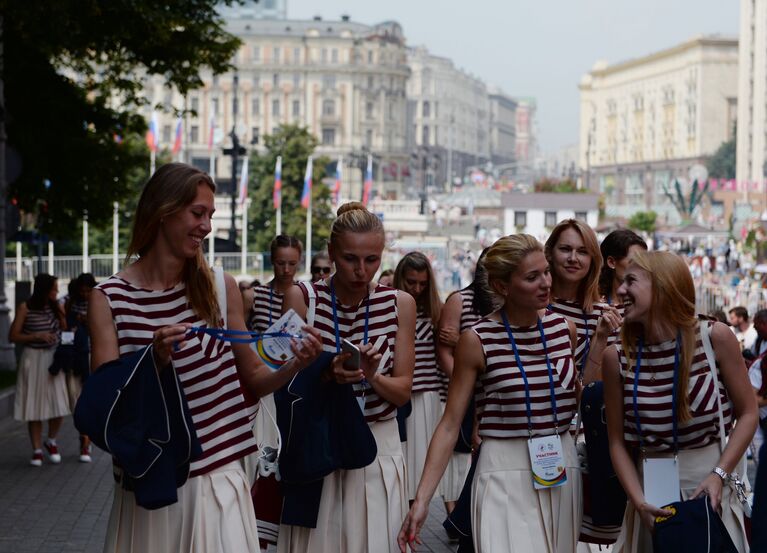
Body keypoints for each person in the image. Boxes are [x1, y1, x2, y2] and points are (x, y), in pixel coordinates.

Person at [88, 163, 322, 552]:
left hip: (220, 480)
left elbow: (256, 379)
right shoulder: (109, 298)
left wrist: (296, 361)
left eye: (210, 215)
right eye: (198, 213)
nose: (207, 226)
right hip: (154, 484)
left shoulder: (219, 286)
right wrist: (154, 361)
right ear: (163, 211)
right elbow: (106, 409)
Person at [399, 234, 581, 553]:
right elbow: (450, 422)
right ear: (502, 286)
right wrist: (422, 500)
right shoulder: (477, 339)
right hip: (501, 469)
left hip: (558, 464)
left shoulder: (564, 329)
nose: (546, 283)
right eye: (532, 276)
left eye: (546, 272)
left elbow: (576, 400)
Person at [278, 201, 416, 552]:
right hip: (317, 440)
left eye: (372, 259)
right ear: (331, 253)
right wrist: (325, 375)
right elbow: (279, 378)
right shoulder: (302, 296)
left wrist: (371, 376)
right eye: (350, 258)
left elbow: (402, 393)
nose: (361, 269)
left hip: (376, 445)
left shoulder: (400, 303)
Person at [603, 251, 757, 553]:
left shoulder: (715, 338)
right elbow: (617, 442)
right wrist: (639, 502)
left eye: (631, 282)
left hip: (710, 489)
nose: (620, 290)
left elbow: (749, 413)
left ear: (662, 287)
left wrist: (719, 475)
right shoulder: (616, 356)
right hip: (649, 494)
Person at [435, 248, 498, 515]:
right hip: (465, 391)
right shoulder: (459, 300)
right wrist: (466, 382)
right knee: (458, 454)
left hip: (495, 394)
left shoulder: (508, 303)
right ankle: (455, 513)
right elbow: (443, 351)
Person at [393, 251, 443, 503]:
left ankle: (412, 517)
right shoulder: (387, 307)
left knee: (419, 464)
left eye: (422, 283)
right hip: (396, 392)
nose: (416, 288)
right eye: (411, 282)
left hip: (426, 394)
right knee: (398, 459)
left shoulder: (435, 313)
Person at [545, 219, 621, 385]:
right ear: (550, 253)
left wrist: (600, 339)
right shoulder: (532, 305)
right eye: (565, 249)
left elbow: (591, 388)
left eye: (582, 252)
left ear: (592, 259)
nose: (573, 258)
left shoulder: (603, 316)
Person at [11, 273, 69, 466]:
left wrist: (61, 313)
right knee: (33, 404)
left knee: (59, 403)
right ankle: (36, 449)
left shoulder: (56, 306)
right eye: (54, 288)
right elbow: (14, 336)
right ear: (45, 290)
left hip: (54, 359)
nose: (57, 291)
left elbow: (66, 330)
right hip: (33, 358)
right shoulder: (25, 307)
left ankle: (51, 440)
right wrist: (37, 335)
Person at [64, 273, 97, 463]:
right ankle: (83, 438)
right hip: (75, 356)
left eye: (88, 290)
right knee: (76, 400)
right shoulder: (70, 303)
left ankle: (86, 442)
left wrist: (89, 320)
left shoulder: (99, 302)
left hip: (92, 354)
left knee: (88, 400)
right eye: (82, 291)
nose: (85, 294)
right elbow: (65, 327)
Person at [598, 229, 647, 306]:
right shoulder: (594, 306)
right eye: (634, 262)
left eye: (644, 261)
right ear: (611, 262)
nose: (642, 267)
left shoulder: (647, 306)